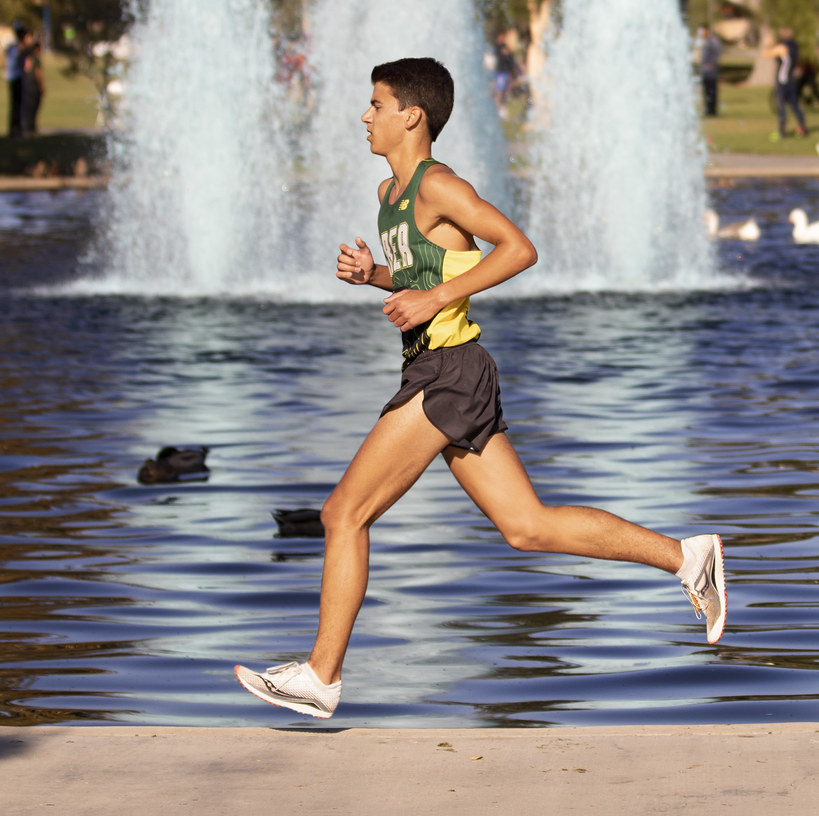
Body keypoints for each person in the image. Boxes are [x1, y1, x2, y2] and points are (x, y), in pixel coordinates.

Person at [234, 57, 727, 719]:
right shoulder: (389, 195)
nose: (365, 116)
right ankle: (686, 557)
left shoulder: (440, 186)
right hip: (441, 372)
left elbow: (518, 249)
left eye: (376, 104)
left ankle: (321, 676)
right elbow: (431, 272)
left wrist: (434, 297)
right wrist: (375, 275)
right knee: (526, 527)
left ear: (411, 115)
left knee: (342, 514)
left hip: (449, 373)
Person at [766, 27, 807, 138]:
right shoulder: (794, 45)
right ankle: (802, 128)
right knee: (795, 105)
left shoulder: (783, 46)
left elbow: (766, 53)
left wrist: (769, 43)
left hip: (782, 81)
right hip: (790, 80)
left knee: (782, 107)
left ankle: (782, 131)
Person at [4, 21, 28, 138]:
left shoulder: (11, 46)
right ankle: (16, 128)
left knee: (15, 104)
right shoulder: (17, 47)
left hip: (11, 76)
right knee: (17, 104)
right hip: (16, 77)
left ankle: (15, 127)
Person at [21, 37, 45, 135]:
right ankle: (31, 128)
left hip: (27, 86)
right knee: (33, 108)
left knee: (28, 108)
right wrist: (41, 87)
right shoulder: (36, 59)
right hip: (34, 87)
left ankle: (27, 127)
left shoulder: (27, 58)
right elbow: (37, 74)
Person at [699, 24, 722, 117]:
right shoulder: (704, 40)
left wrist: (712, 63)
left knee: (712, 90)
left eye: (703, 31)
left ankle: (712, 110)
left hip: (711, 70)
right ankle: (708, 109)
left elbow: (718, 52)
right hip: (704, 70)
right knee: (706, 90)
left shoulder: (713, 40)